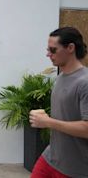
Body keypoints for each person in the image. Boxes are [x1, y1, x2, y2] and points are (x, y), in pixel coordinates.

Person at [30, 27, 88, 178]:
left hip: (75, 169)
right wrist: (45, 117)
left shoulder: (85, 83)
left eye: (53, 50)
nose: (48, 54)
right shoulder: (60, 78)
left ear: (70, 48)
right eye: (48, 49)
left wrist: (49, 122)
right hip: (51, 158)